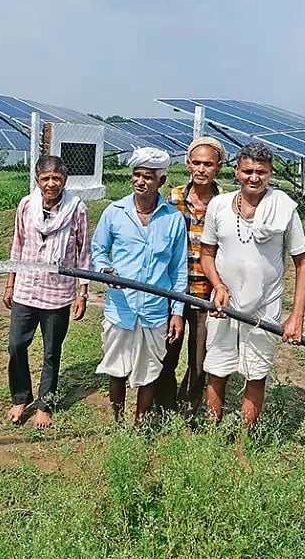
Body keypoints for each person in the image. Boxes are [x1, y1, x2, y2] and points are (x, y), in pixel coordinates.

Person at [200, 142, 305, 428]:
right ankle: (213, 435)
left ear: (270, 173)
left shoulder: (284, 208)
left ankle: (243, 440)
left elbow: (303, 263)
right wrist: (218, 285)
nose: (254, 177)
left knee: (256, 373)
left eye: (261, 172)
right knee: (217, 368)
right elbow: (208, 254)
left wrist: (297, 315)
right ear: (236, 171)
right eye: (247, 171)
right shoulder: (219, 206)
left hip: (265, 306)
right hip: (224, 305)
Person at [91, 147, 188, 423]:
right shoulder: (115, 213)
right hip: (121, 308)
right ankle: (117, 421)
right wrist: (104, 269)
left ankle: (140, 422)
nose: (141, 181)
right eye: (136, 175)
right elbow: (98, 250)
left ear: (161, 181)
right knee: (117, 367)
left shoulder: (172, 219)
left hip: (155, 311)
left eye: (148, 176)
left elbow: (178, 269)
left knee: (149, 370)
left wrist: (177, 312)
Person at [2, 156, 91, 429]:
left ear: (64, 179)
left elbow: (83, 251)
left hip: (58, 292)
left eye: (56, 178)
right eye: (45, 178)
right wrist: (10, 283)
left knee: (52, 351)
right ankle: (21, 397)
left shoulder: (76, 209)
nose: (51, 184)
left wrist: (82, 293)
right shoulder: (26, 206)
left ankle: (45, 404)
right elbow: (18, 245)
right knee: (16, 345)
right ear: (37, 180)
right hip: (26, 289)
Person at [155, 136, 226, 416]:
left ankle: (187, 409)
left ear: (218, 167)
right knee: (166, 352)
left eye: (208, 164)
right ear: (187, 164)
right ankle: (164, 406)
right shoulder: (172, 198)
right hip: (174, 291)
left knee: (199, 358)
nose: (201, 169)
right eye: (196, 162)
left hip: (206, 294)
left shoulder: (227, 203)